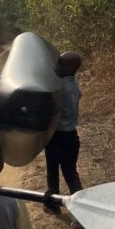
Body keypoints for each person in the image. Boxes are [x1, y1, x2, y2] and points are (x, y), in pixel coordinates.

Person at [44, 51, 83, 214]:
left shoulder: (59, 88)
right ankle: (79, 207)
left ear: (69, 68)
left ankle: (74, 208)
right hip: (71, 136)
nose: (56, 66)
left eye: (60, 64)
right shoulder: (74, 86)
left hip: (57, 137)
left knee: (54, 171)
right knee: (70, 172)